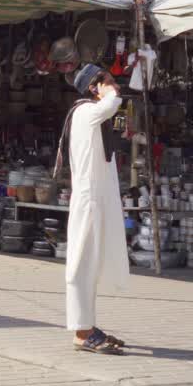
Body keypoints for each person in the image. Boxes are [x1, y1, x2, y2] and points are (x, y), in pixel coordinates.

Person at [57, 64, 130, 354]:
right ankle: (80, 332)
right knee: (81, 265)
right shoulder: (86, 111)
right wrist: (109, 92)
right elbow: (111, 104)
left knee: (91, 264)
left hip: (97, 199)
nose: (116, 85)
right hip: (89, 201)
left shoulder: (91, 114)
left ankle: (86, 325)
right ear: (94, 87)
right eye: (108, 81)